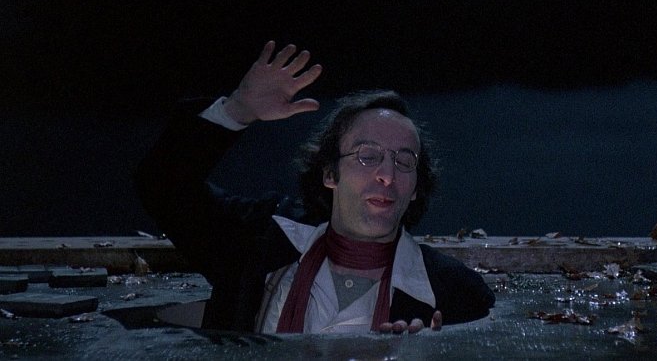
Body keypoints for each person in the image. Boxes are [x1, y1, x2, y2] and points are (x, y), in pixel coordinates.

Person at [136, 41, 495, 335]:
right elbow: (161, 185)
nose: (387, 175)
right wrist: (238, 109)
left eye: (404, 161)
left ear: (416, 188)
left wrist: (437, 352)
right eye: (368, 156)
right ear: (330, 174)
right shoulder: (261, 240)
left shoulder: (455, 293)